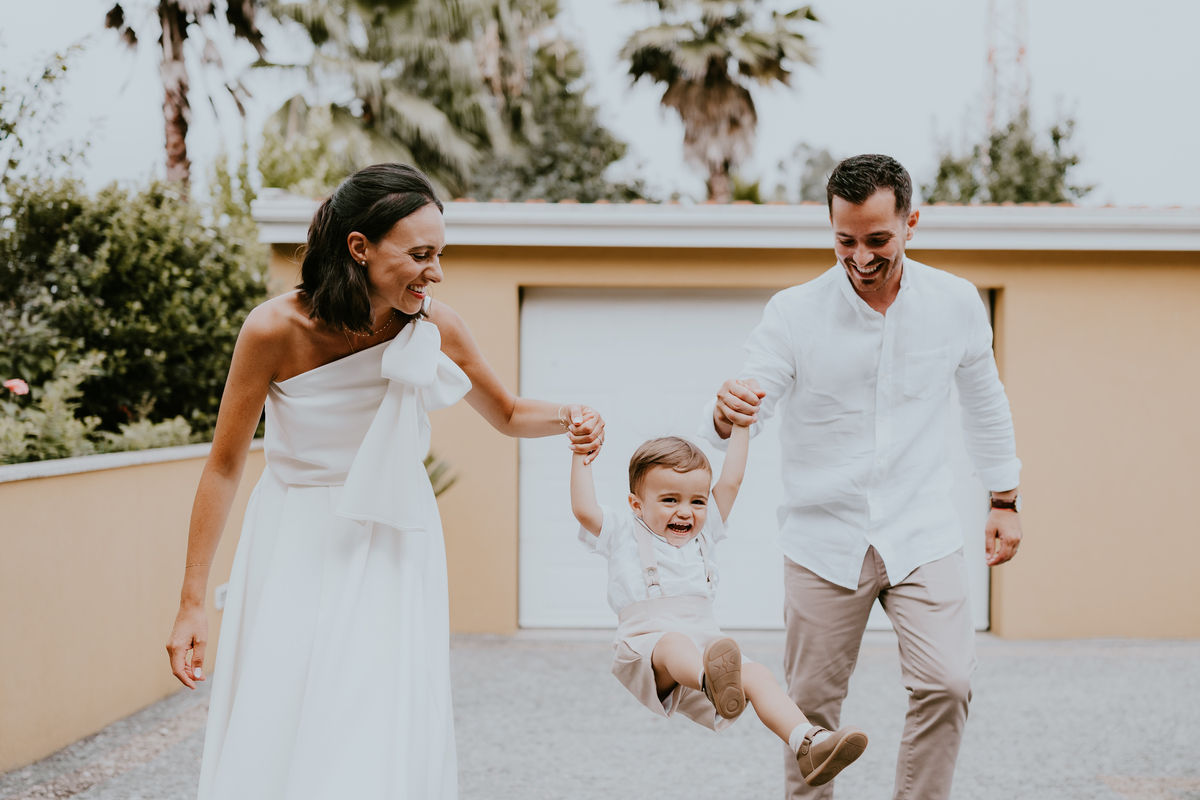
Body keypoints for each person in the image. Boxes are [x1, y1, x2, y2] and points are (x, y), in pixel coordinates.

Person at [165, 163, 604, 800]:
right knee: (283, 702)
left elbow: (508, 413)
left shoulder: (437, 326)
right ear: (360, 247)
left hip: (396, 537)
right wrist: (191, 602)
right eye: (420, 255)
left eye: (440, 255)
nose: (436, 272)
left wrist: (573, 414)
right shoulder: (272, 330)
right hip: (295, 535)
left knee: (376, 708)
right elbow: (224, 465)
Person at [702, 154, 1023, 800]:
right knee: (810, 710)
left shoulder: (955, 303)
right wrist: (728, 409)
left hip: (921, 531)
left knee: (949, 683)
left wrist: (1005, 498)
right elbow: (753, 395)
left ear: (911, 223)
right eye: (844, 240)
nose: (860, 256)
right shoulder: (794, 313)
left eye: (877, 239)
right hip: (823, 538)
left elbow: (984, 402)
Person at [571, 418, 868, 787]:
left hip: (706, 648)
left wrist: (742, 425)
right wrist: (581, 453)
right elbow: (584, 509)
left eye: (697, 501)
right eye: (670, 500)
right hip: (646, 647)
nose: (686, 511)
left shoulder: (704, 533)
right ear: (636, 504)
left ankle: (808, 742)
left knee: (759, 676)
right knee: (674, 642)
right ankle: (710, 680)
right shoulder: (623, 531)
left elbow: (731, 481)